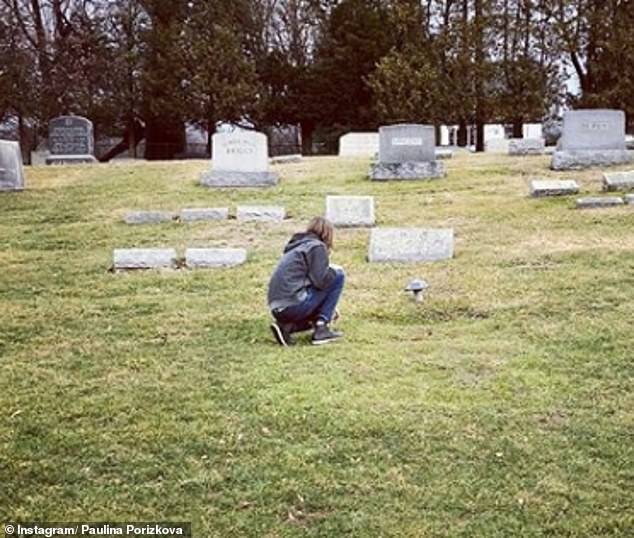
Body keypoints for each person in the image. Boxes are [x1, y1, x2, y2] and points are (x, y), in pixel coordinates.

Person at [268, 216, 345, 346]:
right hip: (293, 305)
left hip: (277, 308)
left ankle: (286, 327)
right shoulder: (316, 247)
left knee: (322, 296)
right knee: (338, 275)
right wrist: (334, 270)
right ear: (327, 233)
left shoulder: (296, 247)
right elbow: (320, 281)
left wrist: (328, 306)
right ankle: (321, 327)